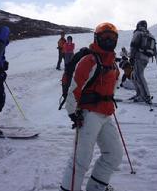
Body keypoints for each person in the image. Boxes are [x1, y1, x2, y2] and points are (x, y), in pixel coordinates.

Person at [60, 22, 123, 191]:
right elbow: (74, 89)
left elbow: (114, 86)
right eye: (105, 36)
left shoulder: (113, 63)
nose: (109, 40)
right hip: (88, 114)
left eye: (112, 37)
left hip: (106, 114)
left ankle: (96, 187)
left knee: (114, 155)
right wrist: (73, 113)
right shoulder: (89, 60)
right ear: (97, 38)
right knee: (81, 159)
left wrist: (107, 101)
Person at [129, 20, 157, 104]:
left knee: (139, 76)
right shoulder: (150, 35)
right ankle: (139, 94)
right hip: (146, 58)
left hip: (138, 56)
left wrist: (131, 57)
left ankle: (145, 96)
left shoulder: (138, 33)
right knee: (134, 75)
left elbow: (133, 45)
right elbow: (154, 50)